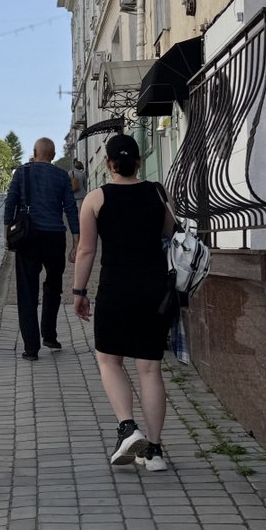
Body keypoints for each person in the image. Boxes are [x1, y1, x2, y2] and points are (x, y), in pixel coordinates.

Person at [72, 134, 176, 471]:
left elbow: (87, 251)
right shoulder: (158, 194)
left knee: (109, 360)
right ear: (139, 162)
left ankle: (128, 428)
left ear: (109, 164)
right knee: (149, 368)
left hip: (116, 288)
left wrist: (79, 292)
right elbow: (170, 233)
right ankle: (155, 452)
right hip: (154, 289)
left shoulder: (95, 199)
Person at [4, 137, 79, 360]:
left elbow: (11, 203)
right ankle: (50, 334)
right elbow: (71, 208)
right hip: (55, 237)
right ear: (53, 156)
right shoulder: (61, 176)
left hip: (28, 237)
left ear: (34, 152)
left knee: (27, 291)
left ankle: (31, 348)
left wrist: (7, 233)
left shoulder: (22, 172)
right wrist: (76, 242)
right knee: (54, 286)